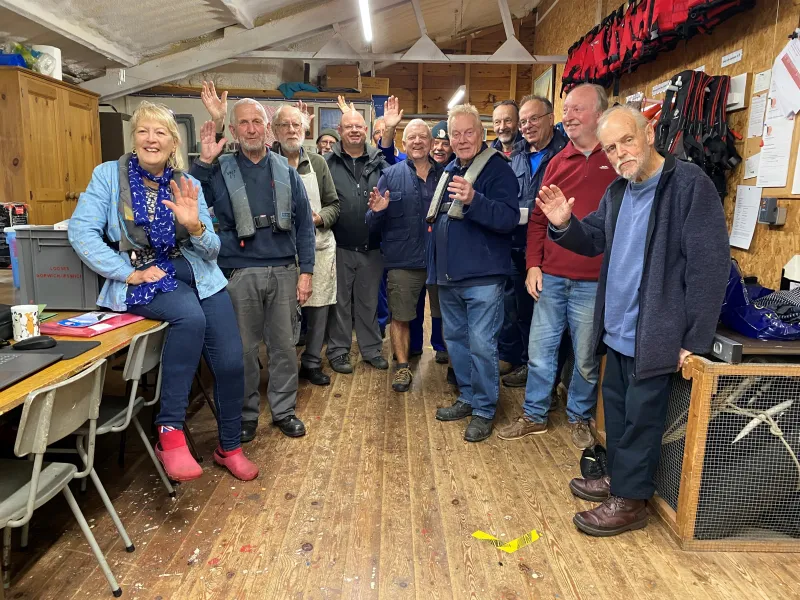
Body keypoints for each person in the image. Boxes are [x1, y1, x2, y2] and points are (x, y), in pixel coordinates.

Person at [537, 104, 729, 536]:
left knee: (643, 421)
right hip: (619, 329)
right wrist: (565, 224)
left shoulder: (689, 186)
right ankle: (619, 481)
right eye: (611, 147)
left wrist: (694, 338)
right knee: (620, 415)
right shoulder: (618, 192)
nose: (620, 152)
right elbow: (594, 240)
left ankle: (631, 502)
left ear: (649, 133)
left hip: (656, 332)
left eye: (627, 140)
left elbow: (709, 265)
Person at [69, 101, 258, 482]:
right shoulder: (108, 176)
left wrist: (196, 227)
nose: (151, 139)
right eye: (143, 131)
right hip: (146, 276)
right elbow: (80, 231)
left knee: (232, 362)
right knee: (189, 318)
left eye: (160, 133)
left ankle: (229, 447)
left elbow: (213, 250)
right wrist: (127, 273)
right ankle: (169, 433)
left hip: (197, 273)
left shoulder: (188, 184)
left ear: (173, 143)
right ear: (134, 138)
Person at [497, 83, 617, 450]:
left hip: (592, 281)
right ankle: (534, 414)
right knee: (540, 352)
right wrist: (534, 265)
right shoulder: (557, 162)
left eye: (577, 110)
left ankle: (579, 417)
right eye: (567, 110)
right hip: (551, 277)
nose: (570, 116)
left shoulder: (615, 162)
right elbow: (537, 220)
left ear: (599, 114)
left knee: (584, 358)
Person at [191, 91, 315, 443]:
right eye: (243, 122)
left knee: (284, 347)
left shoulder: (286, 172)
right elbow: (190, 196)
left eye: (257, 121)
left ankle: (284, 411)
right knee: (243, 351)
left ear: (267, 129)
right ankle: (245, 415)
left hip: (283, 271)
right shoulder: (219, 171)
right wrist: (203, 161)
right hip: (237, 273)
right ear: (232, 129)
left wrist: (305, 272)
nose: (250, 128)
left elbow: (305, 224)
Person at [431, 103, 519, 442]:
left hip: (483, 278)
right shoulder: (450, 167)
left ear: (483, 135)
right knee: (457, 341)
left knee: (482, 345)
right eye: (456, 133)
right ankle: (468, 397)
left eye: (469, 132)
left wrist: (474, 200)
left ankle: (484, 409)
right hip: (450, 277)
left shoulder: (498, 170)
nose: (463, 139)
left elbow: (509, 219)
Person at [367, 118, 444, 392]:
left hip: (440, 260)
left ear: (432, 142)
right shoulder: (391, 175)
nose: (418, 142)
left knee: (447, 314)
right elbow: (371, 221)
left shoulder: (446, 175)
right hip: (403, 261)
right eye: (412, 137)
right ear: (403, 143)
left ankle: (454, 363)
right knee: (399, 316)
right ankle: (402, 367)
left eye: (423, 137)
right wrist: (377, 211)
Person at [499, 95, 568, 388]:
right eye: (524, 121)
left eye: (533, 119)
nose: (527, 126)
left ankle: (549, 380)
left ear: (550, 118)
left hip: (552, 248)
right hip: (517, 244)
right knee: (520, 310)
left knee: (549, 317)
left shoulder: (565, 153)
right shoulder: (515, 155)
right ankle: (529, 365)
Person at [270, 103, 340, 387]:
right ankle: (283, 366)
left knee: (318, 307)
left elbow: (334, 205)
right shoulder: (266, 162)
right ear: (274, 131)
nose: (291, 130)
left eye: (296, 125)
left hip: (318, 247)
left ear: (304, 129)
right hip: (279, 251)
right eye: (285, 125)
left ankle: (311, 361)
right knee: (281, 313)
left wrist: (319, 217)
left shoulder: (318, 163)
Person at [325, 109, 391, 373]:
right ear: (339, 131)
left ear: (366, 131)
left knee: (369, 301)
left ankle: (371, 349)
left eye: (359, 126)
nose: (354, 130)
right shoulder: (327, 163)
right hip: (338, 246)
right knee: (340, 302)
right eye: (348, 126)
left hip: (372, 247)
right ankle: (339, 351)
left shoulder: (380, 163)